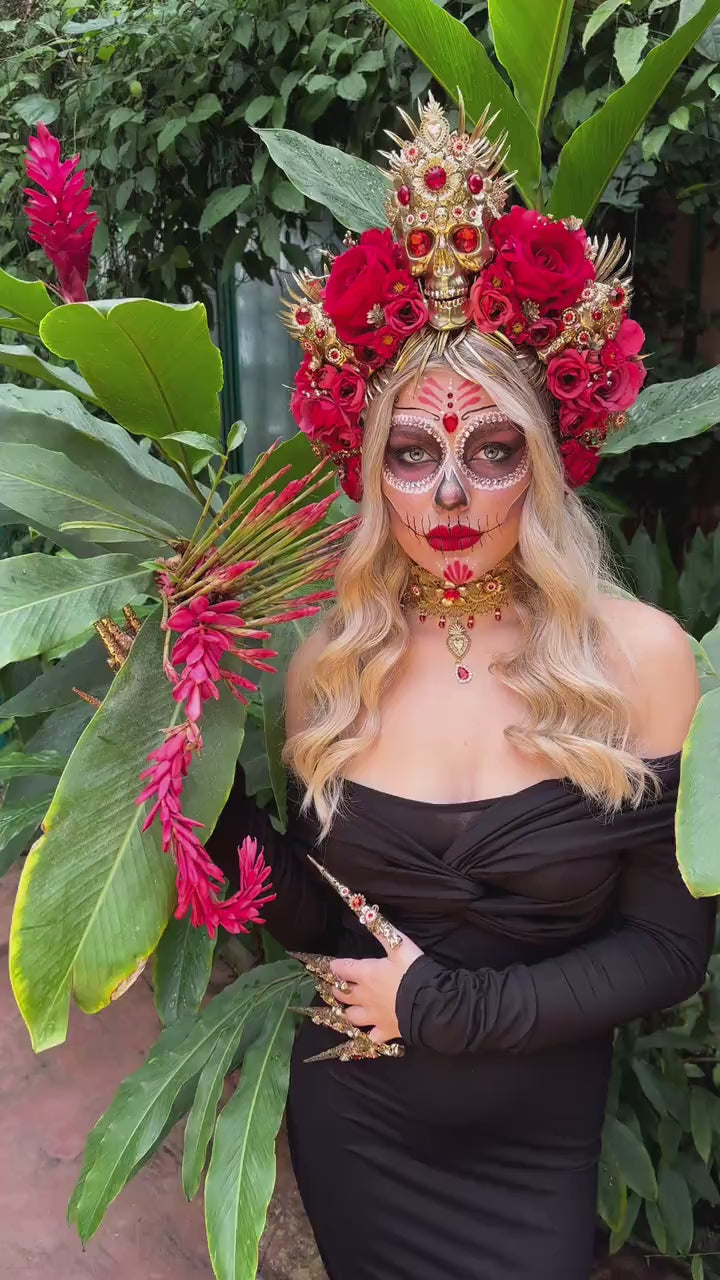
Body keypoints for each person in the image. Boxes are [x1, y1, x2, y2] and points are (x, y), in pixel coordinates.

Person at [207, 96, 717, 1279]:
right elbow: (322, 914)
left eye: (491, 451)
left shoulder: (639, 658)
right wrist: (187, 797)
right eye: (413, 451)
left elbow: (667, 949)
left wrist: (444, 1007)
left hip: (531, 1141)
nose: (447, 494)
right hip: (357, 1124)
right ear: (373, 469)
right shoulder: (328, 662)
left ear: (541, 467)